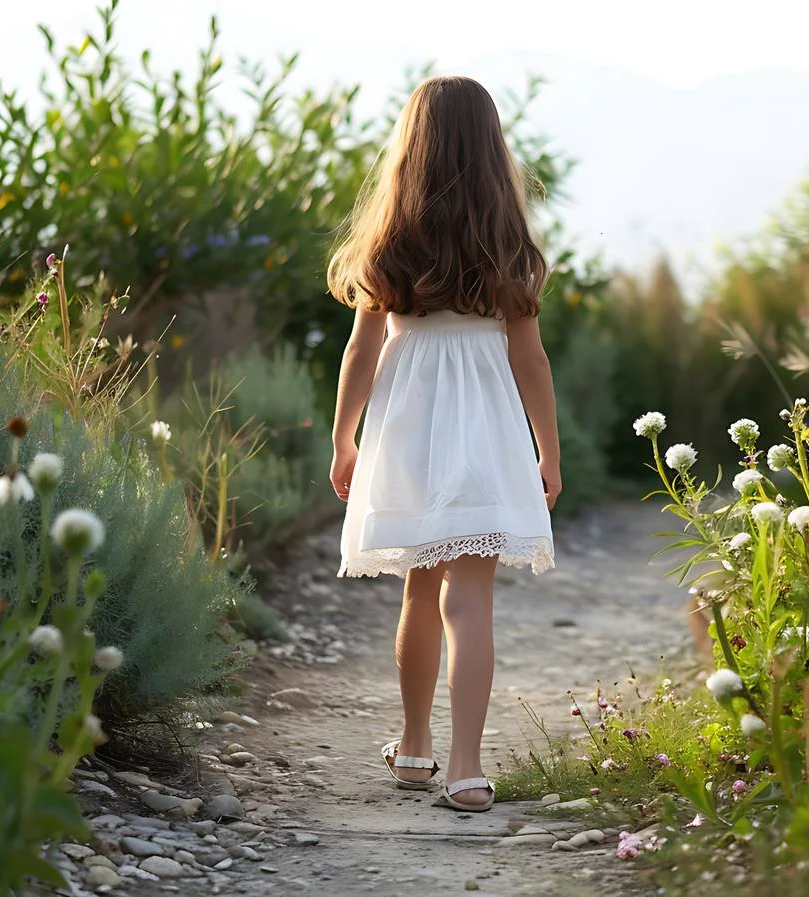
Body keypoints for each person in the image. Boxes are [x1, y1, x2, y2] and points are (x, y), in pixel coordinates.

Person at [325, 75, 560, 813]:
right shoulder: (507, 246)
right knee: (473, 595)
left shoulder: (388, 245)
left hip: (408, 429)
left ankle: (415, 745)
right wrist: (547, 450)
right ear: (494, 152)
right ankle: (466, 766)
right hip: (486, 429)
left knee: (419, 587)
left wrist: (344, 436)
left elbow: (360, 354)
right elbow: (531, 360)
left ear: (411, 149)